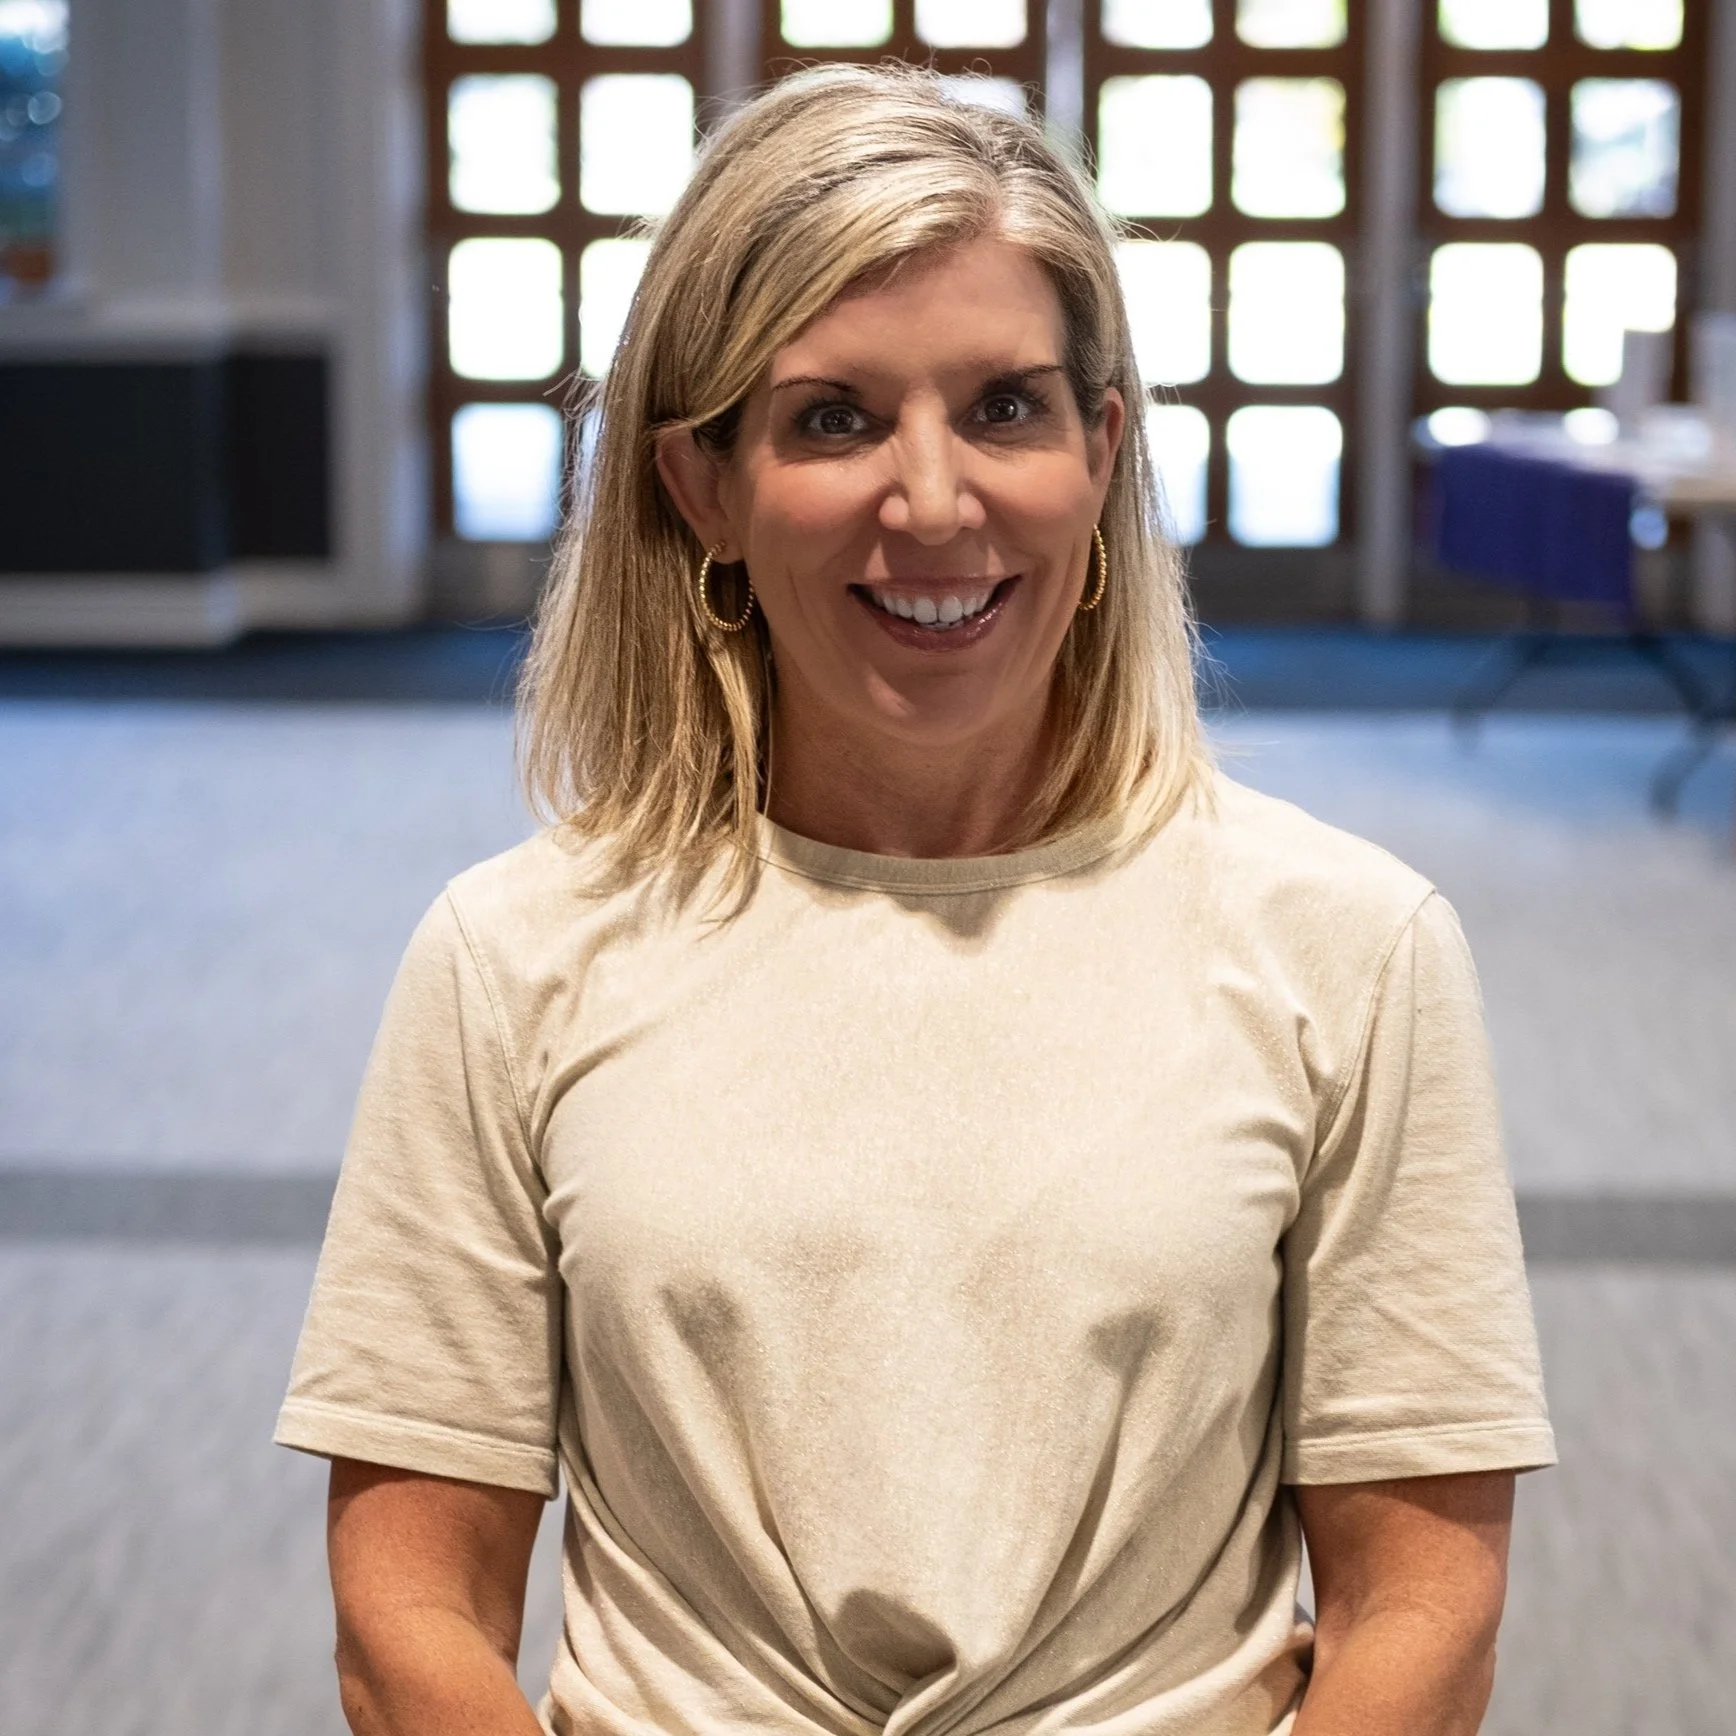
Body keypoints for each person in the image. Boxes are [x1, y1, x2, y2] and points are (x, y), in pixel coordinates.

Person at [276, 65, 1554, 1736]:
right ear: (703, 487)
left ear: (1103, 453)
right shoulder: (513, 957)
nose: (935, 501)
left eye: (1007, 408)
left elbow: (1424, 1610)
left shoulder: (1349, 945)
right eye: (834, 417)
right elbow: (410, 1615)